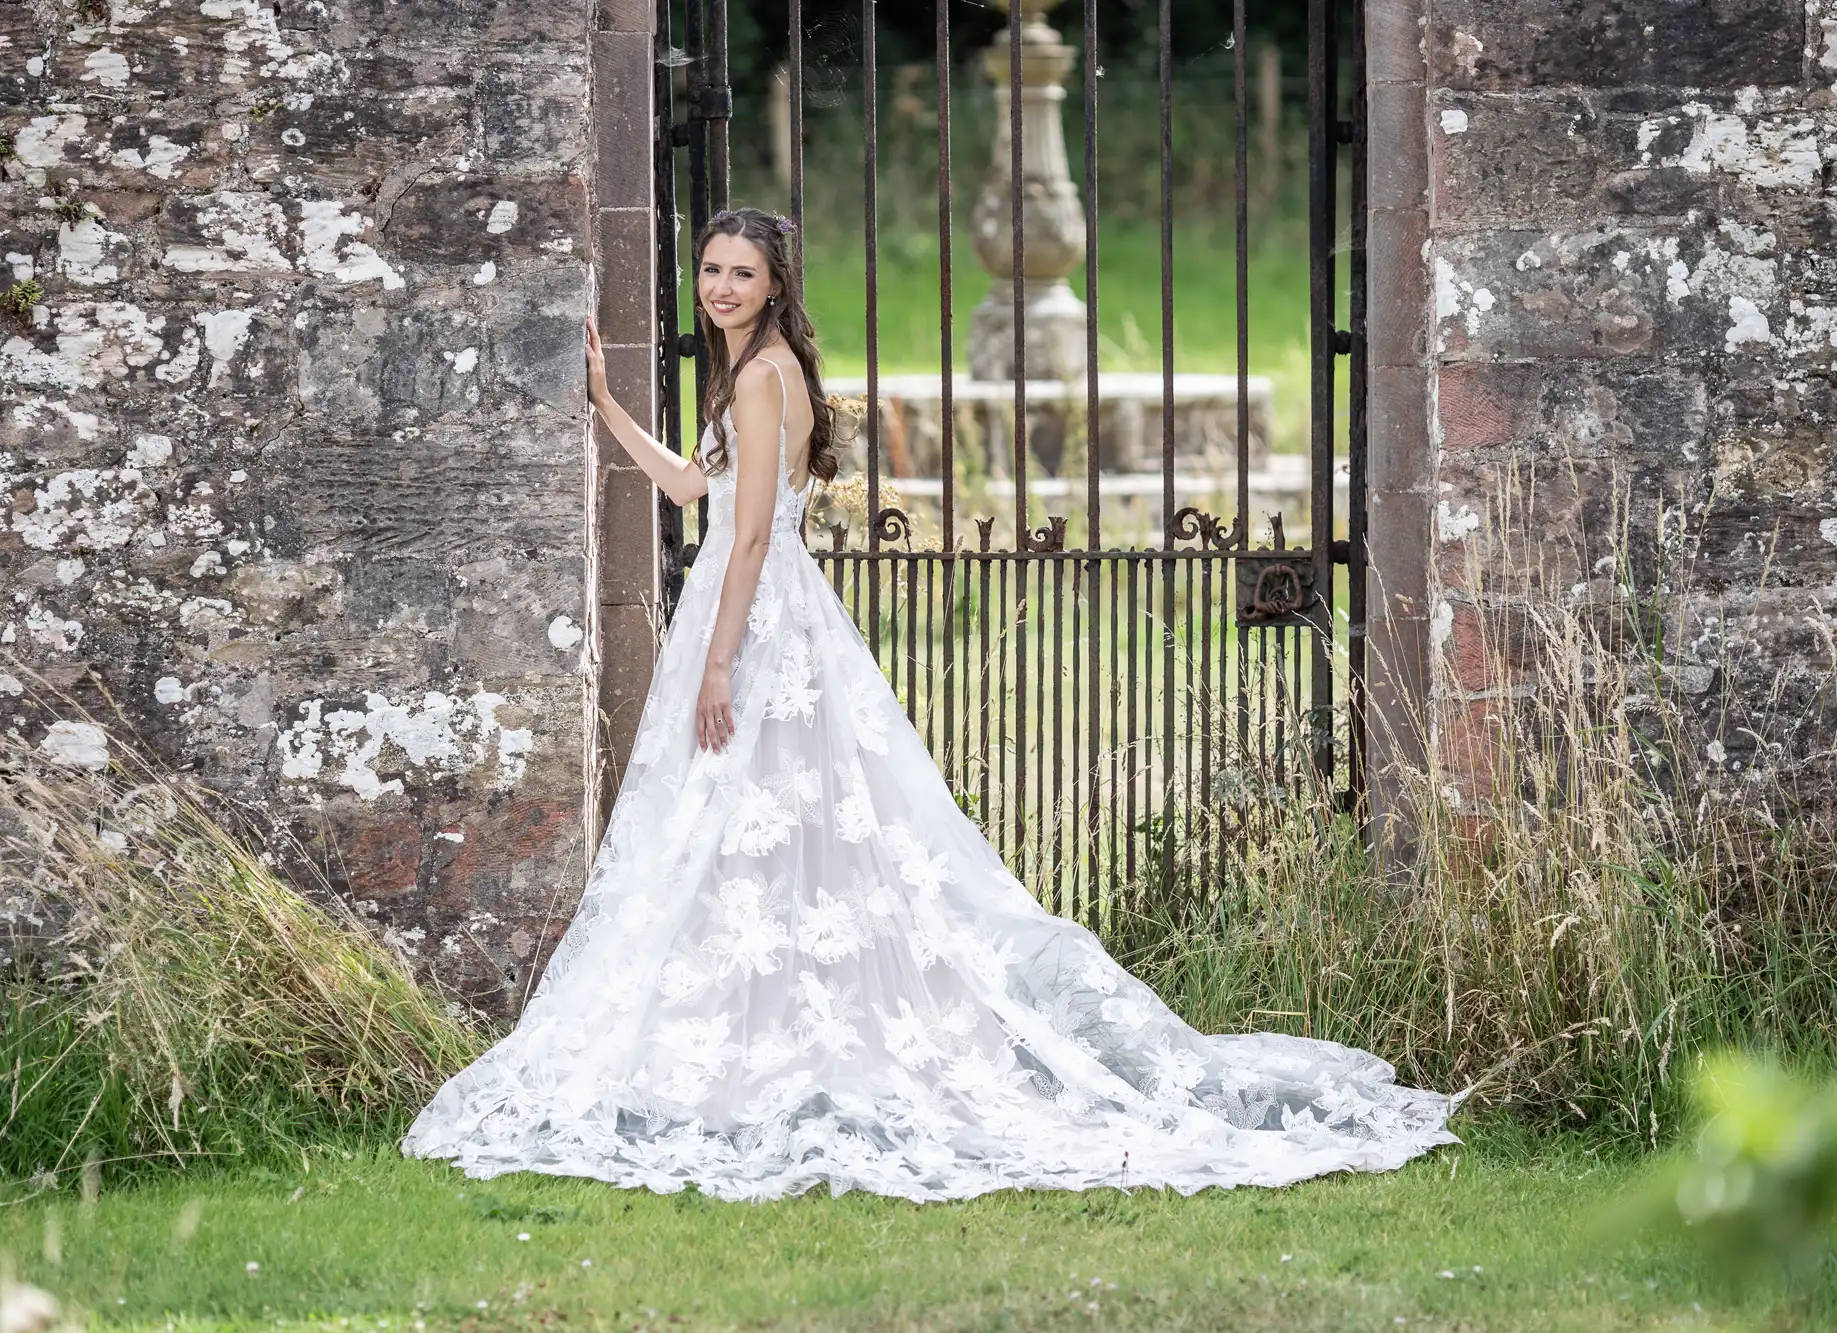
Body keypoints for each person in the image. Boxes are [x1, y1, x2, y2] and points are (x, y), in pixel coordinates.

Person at [402, 206, 1456, 1201]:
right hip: (745, 619)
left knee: (774, 819)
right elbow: (692, 492)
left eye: (741, 274)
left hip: (758, 627)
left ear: (775, 287)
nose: (720, 288)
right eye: (712, 271)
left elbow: (756, 537)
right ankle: (766, 1031)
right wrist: (604, 405)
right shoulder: (742, 375)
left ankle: (802, 1036)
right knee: (746, 829)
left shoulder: (767, 376)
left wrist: (718, 662)